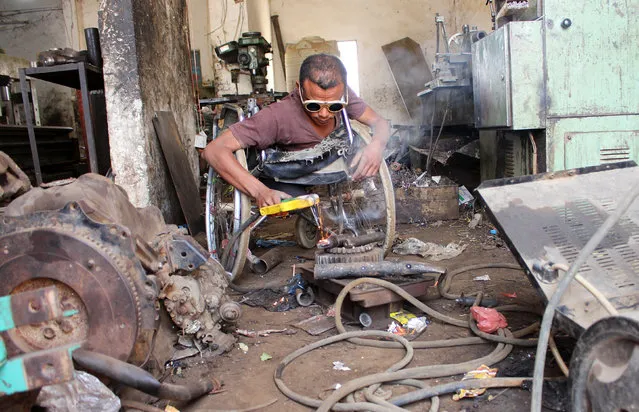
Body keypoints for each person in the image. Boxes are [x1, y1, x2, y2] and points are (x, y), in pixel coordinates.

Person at [202, 53, 390, 208]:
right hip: (290, 175)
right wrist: (260, 191)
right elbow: (214, 150)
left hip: (332, 165)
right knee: (297, 204)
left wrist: (377, 145)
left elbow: (380, 123)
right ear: (299, 90)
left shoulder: (340, 96)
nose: (324, 114)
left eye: (333, 106)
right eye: (314, 105)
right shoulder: (277, 116)